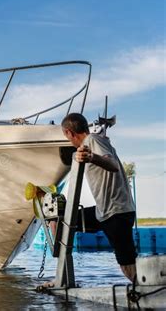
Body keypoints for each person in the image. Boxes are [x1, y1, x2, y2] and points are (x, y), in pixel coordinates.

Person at [61, 113, 137, 283]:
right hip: (104, 212)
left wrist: (91, 157)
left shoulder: (93, 140)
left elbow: (113, 165)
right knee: (63, 220)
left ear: (69, 133)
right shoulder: (94, 142)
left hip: (116, 212)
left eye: (66, 137)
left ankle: (150, 292)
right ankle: (62, 278)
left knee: (128, 266)